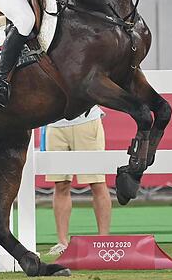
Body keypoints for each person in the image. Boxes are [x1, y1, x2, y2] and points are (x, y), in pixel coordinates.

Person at [44, 106, 112, 255]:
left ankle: (103, 242)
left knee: (97, 183)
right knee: (60, 185)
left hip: (87, 121)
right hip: (54, 124)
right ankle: (62, 243)